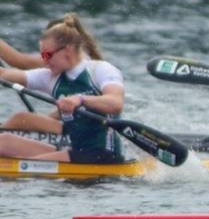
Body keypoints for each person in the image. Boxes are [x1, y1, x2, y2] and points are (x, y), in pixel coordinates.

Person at [0, 16, 126, 163]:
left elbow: (116, 103)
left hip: (102, 154)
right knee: (4, 141)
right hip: (75, 150)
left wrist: (80, 99)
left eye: (47, 55)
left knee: (22, 164)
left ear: (68, 50)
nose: (44, 61)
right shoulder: (51, 76)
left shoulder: (100, 70)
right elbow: (5, 74)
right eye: (42, 55)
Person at [0, 13, 106, 134]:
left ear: (66, 47)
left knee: (22, 120)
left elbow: (20, 61)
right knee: (25, 121)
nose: (45, 59)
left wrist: (36, 122)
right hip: (80, 125)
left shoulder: (69, 60)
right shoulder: (72, 62)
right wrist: (41, 121)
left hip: (88, 133)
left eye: (47, 52)